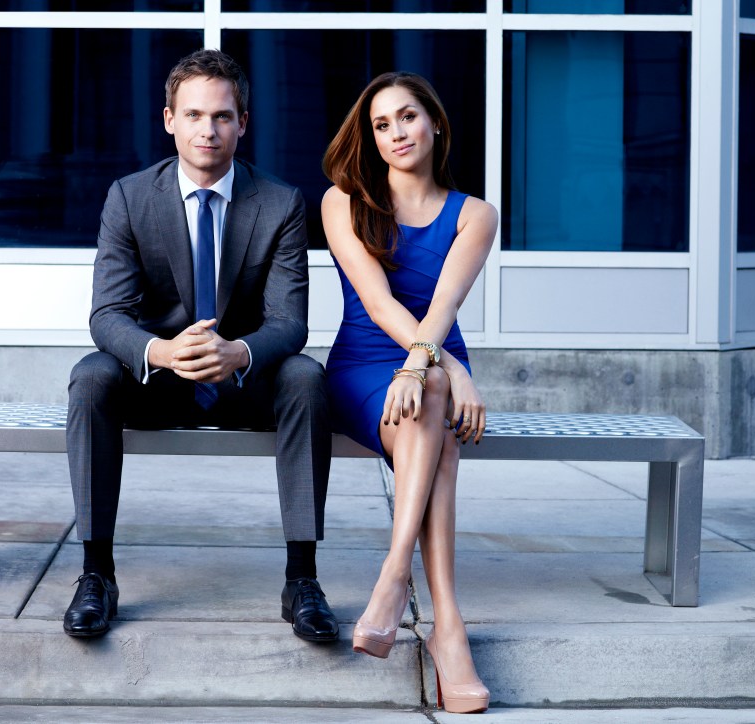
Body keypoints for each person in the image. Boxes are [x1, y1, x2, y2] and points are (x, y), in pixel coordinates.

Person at [63, 49, 338, 645]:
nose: (207, 130)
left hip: (244, 386)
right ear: (169, 120)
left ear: (244, 122)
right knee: (90, 376)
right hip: (159, 381)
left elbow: (291, 322)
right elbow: (107, 314)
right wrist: (160, 352)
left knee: (306, 376)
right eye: (193, 115)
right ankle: (96, 573)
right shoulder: (131, 197)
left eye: (221, 116)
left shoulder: (282, 202)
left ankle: (302, 579)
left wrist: (239, 352)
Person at [321, 72, 498, 713]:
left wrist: (427, 368)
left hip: (430, 363)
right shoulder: (342, 200)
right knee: (435, 404)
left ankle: (409, 596)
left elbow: (444, 301)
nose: (396, 133)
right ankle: (437, 619)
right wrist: (445, 371)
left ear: (436, 123)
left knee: (432, 414)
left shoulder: (475, 214)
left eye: (407, 118)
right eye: (382, 124)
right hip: (364, 367)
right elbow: (377, 300)